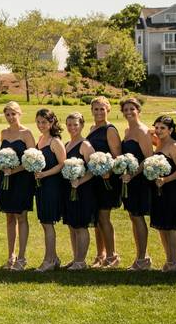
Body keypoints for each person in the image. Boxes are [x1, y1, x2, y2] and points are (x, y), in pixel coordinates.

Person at [0, 101, 35, 270]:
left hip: (22, 180)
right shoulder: (3, 133)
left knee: (21, 216)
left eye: (13, 113)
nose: (11, 117)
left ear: (19, 114)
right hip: (5, 179)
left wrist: (15, 170)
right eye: (8, 114)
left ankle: (21, 257)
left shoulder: (26, 133)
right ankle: (10, 255)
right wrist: (4, 166)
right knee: (9, 217)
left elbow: (33, 160)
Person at [87, 97, 122, 267]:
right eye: (96, 109)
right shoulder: (92, 128)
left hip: (108, 179)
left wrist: (107, 171)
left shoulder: (110, 130)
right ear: (91, 110)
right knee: (96, 219)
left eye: (102, 109)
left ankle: (112, 255)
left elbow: (117, 157)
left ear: (108, 110)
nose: (99, 112)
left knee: (103, 217)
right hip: (94, 179)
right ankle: (100, 255)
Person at [119, 98, 153, 270]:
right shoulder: (127, 130)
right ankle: (142, 255)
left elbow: (148, 158)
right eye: (125, 109)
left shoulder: (142, 131)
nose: (129, 112)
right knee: (133, 216)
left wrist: (132, 174)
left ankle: (142, 259)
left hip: (139, 180)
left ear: (138, 110)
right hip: (128, 180)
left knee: (138, 217)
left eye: (132, 109)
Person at [150, 115, 176, 272]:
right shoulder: (159, 143)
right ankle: (169, 259)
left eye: (162, 128)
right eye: (157, 128)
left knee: (171, 226)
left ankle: (174, 261)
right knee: (162, 226)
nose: (158, 131)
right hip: (159, 190)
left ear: (171, 130)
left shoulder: (173, 146)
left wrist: (166, 179)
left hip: (172, 190)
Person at [62, 112, 96, 270]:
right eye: (69, 124)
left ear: (82, 125)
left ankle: (81, 261)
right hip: (69, 190)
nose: (72, 127)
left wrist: (79, 181)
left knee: (81, 225)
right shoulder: (67, 144)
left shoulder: (85, 145)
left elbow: (93, 169)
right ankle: (76, 258)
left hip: (83, 190)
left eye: (75, 124)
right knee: (72, 224)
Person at [33, 109, 66, 272]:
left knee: (48, 223)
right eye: (38, 122)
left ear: (52, 123)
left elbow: (62, 164)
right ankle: (54, 258)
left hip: (52, 185)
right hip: (40, 186)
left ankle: (49, 260)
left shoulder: (55, 141)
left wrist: (44, 174)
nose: (41, 125)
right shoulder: (40, 139)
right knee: (44, 223)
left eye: (44, 122)